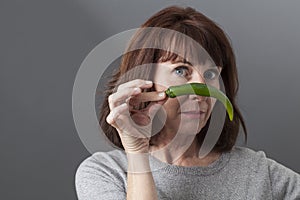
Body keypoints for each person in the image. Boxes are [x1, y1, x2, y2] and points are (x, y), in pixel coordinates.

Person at [75, 6, 300, 200]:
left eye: (211, 74)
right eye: (181, 70)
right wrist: (137, 152)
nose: (202, 89)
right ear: (144, 80)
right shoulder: (106, 172)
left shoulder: (258, 172)